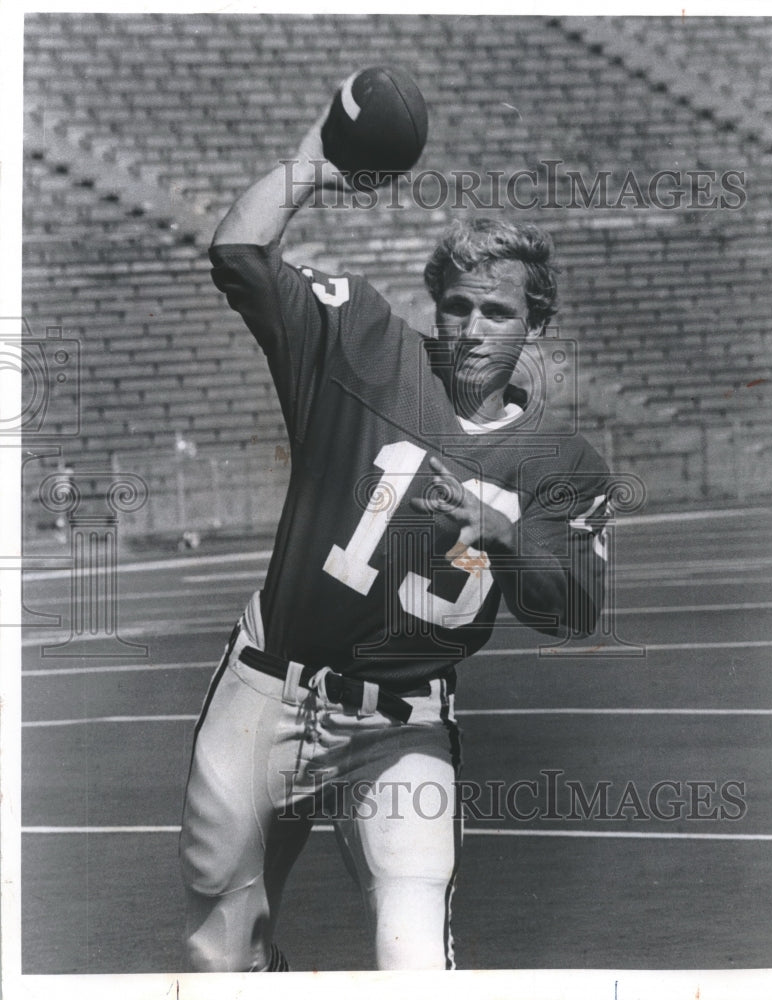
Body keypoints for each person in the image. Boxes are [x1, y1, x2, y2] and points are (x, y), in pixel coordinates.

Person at [178, 105, 611, 973]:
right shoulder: (365, 345)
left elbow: (577, 609)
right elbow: (238, 254)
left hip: (404, 720)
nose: (474, 329)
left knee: (414, 953)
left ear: (536, 325)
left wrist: (503, 532)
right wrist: (313, 161)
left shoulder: (561, 463)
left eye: (498, 311)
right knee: (220, 953)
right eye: (458, 306)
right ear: (433, 306)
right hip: (269, 690)